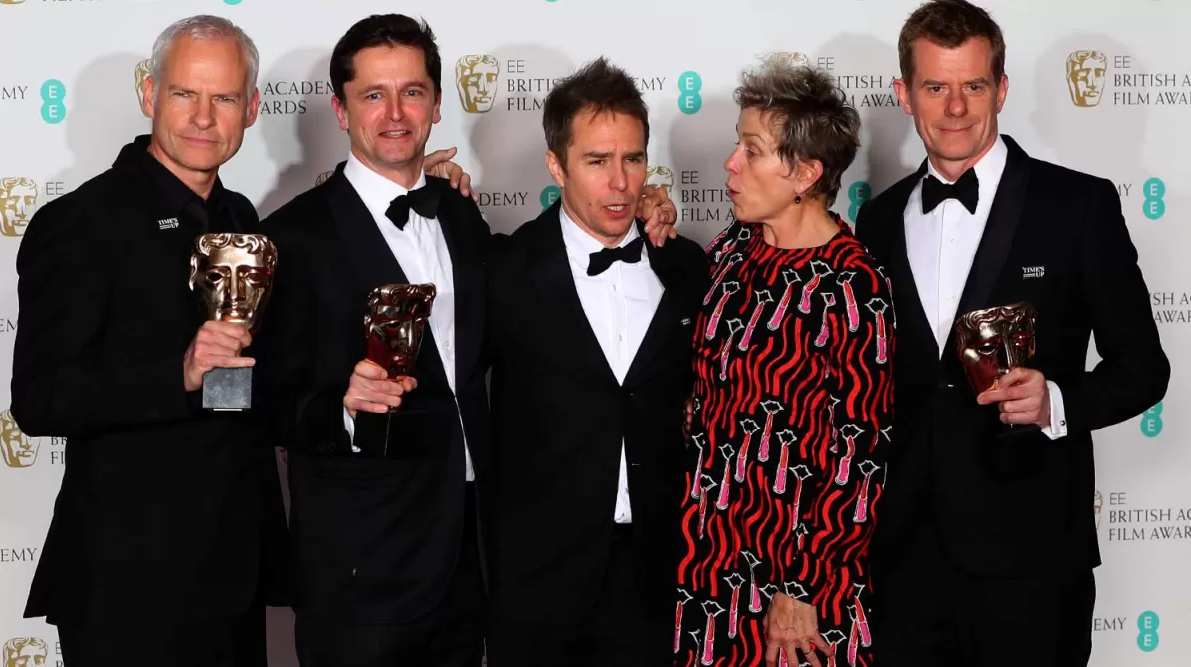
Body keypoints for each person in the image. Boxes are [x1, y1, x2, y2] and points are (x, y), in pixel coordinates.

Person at [255, 17, 676, 667]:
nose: (395, 113)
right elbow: (262, 400)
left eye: (413, 91)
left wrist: (641, 211)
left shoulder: (457, 215)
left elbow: (539, 304)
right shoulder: (293, 237)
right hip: (363, 572)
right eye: (373, 95)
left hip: (472, 565)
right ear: (340, 110)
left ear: (436, 103)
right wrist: (342, 404)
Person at [854, 2, 1170, 665]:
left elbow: (1142, 365)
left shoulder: (1077, 206)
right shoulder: (876, 222)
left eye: (973, 85)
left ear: (1001, 88)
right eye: (936, 86)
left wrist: (1056, 400)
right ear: (903, 93)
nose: (956, 107)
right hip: (905, 557)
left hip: (1030, 559)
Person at [10, 14, 289, 665]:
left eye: (222, 97)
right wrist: (182, 371)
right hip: (127, 581)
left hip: (232, 570)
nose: (202, 116)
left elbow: (243, 385)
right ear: (149, 94)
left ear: (250, 109)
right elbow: (41, 398)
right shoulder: (79, 223)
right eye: (184, 93)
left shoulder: (240, 217)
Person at [482, 57, 707, 667]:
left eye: (633, 159)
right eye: (597, 161)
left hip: (662, 578)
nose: (620, 184)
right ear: (556, 165)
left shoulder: (688, 268)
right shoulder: (504, 271)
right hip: (536, 586)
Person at [675, 58, 894, 667]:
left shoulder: (853, 284)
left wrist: (802, 590)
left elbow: (858, 455)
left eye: (751, 149)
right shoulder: (730, 250)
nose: (731, 164)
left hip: (798, 579)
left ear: (804, 172)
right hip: (707, 560)